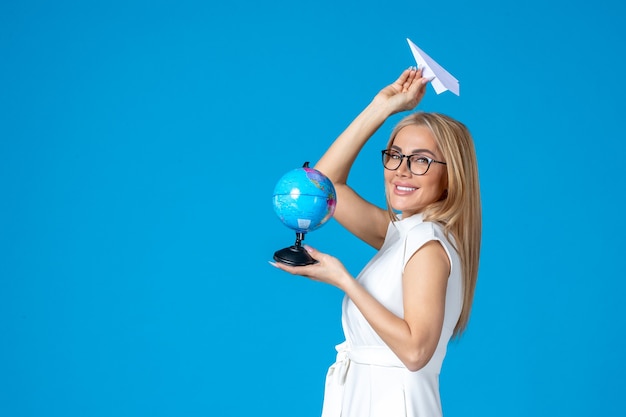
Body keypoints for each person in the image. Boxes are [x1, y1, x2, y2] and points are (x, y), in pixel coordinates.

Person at [271, 67, 481, 417]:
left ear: (451, 176)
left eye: (421, 161)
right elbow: (324, 186)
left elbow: (416, 352)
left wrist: (343, 280)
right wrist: (382, 107)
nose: (401, 170)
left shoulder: (428, 246)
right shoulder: (402, 234)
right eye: (395, 155)